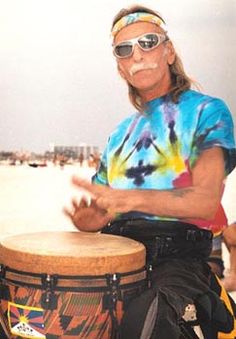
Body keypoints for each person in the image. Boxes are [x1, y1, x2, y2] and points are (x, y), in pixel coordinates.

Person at [64, 5, 236, 338]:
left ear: (169, 51)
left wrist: (129, 198)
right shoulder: (119, 134)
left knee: (149, 317)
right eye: (124, 49)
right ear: (120, 67)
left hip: (179, 259)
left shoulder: (207, 111)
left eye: (148, 42)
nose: (137, 54)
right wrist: (91, 222)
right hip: (118, 253)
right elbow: (105, 206)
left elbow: (204, 201)